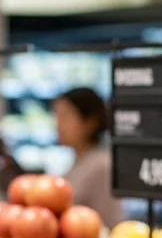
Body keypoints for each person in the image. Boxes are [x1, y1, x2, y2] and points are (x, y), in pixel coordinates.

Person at [52, 87, 124, 226]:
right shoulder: (80, 160)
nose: (58, 125)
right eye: (56, 116)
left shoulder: (102, 167)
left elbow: (112, 224)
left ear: (90, 121)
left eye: (65, 116)